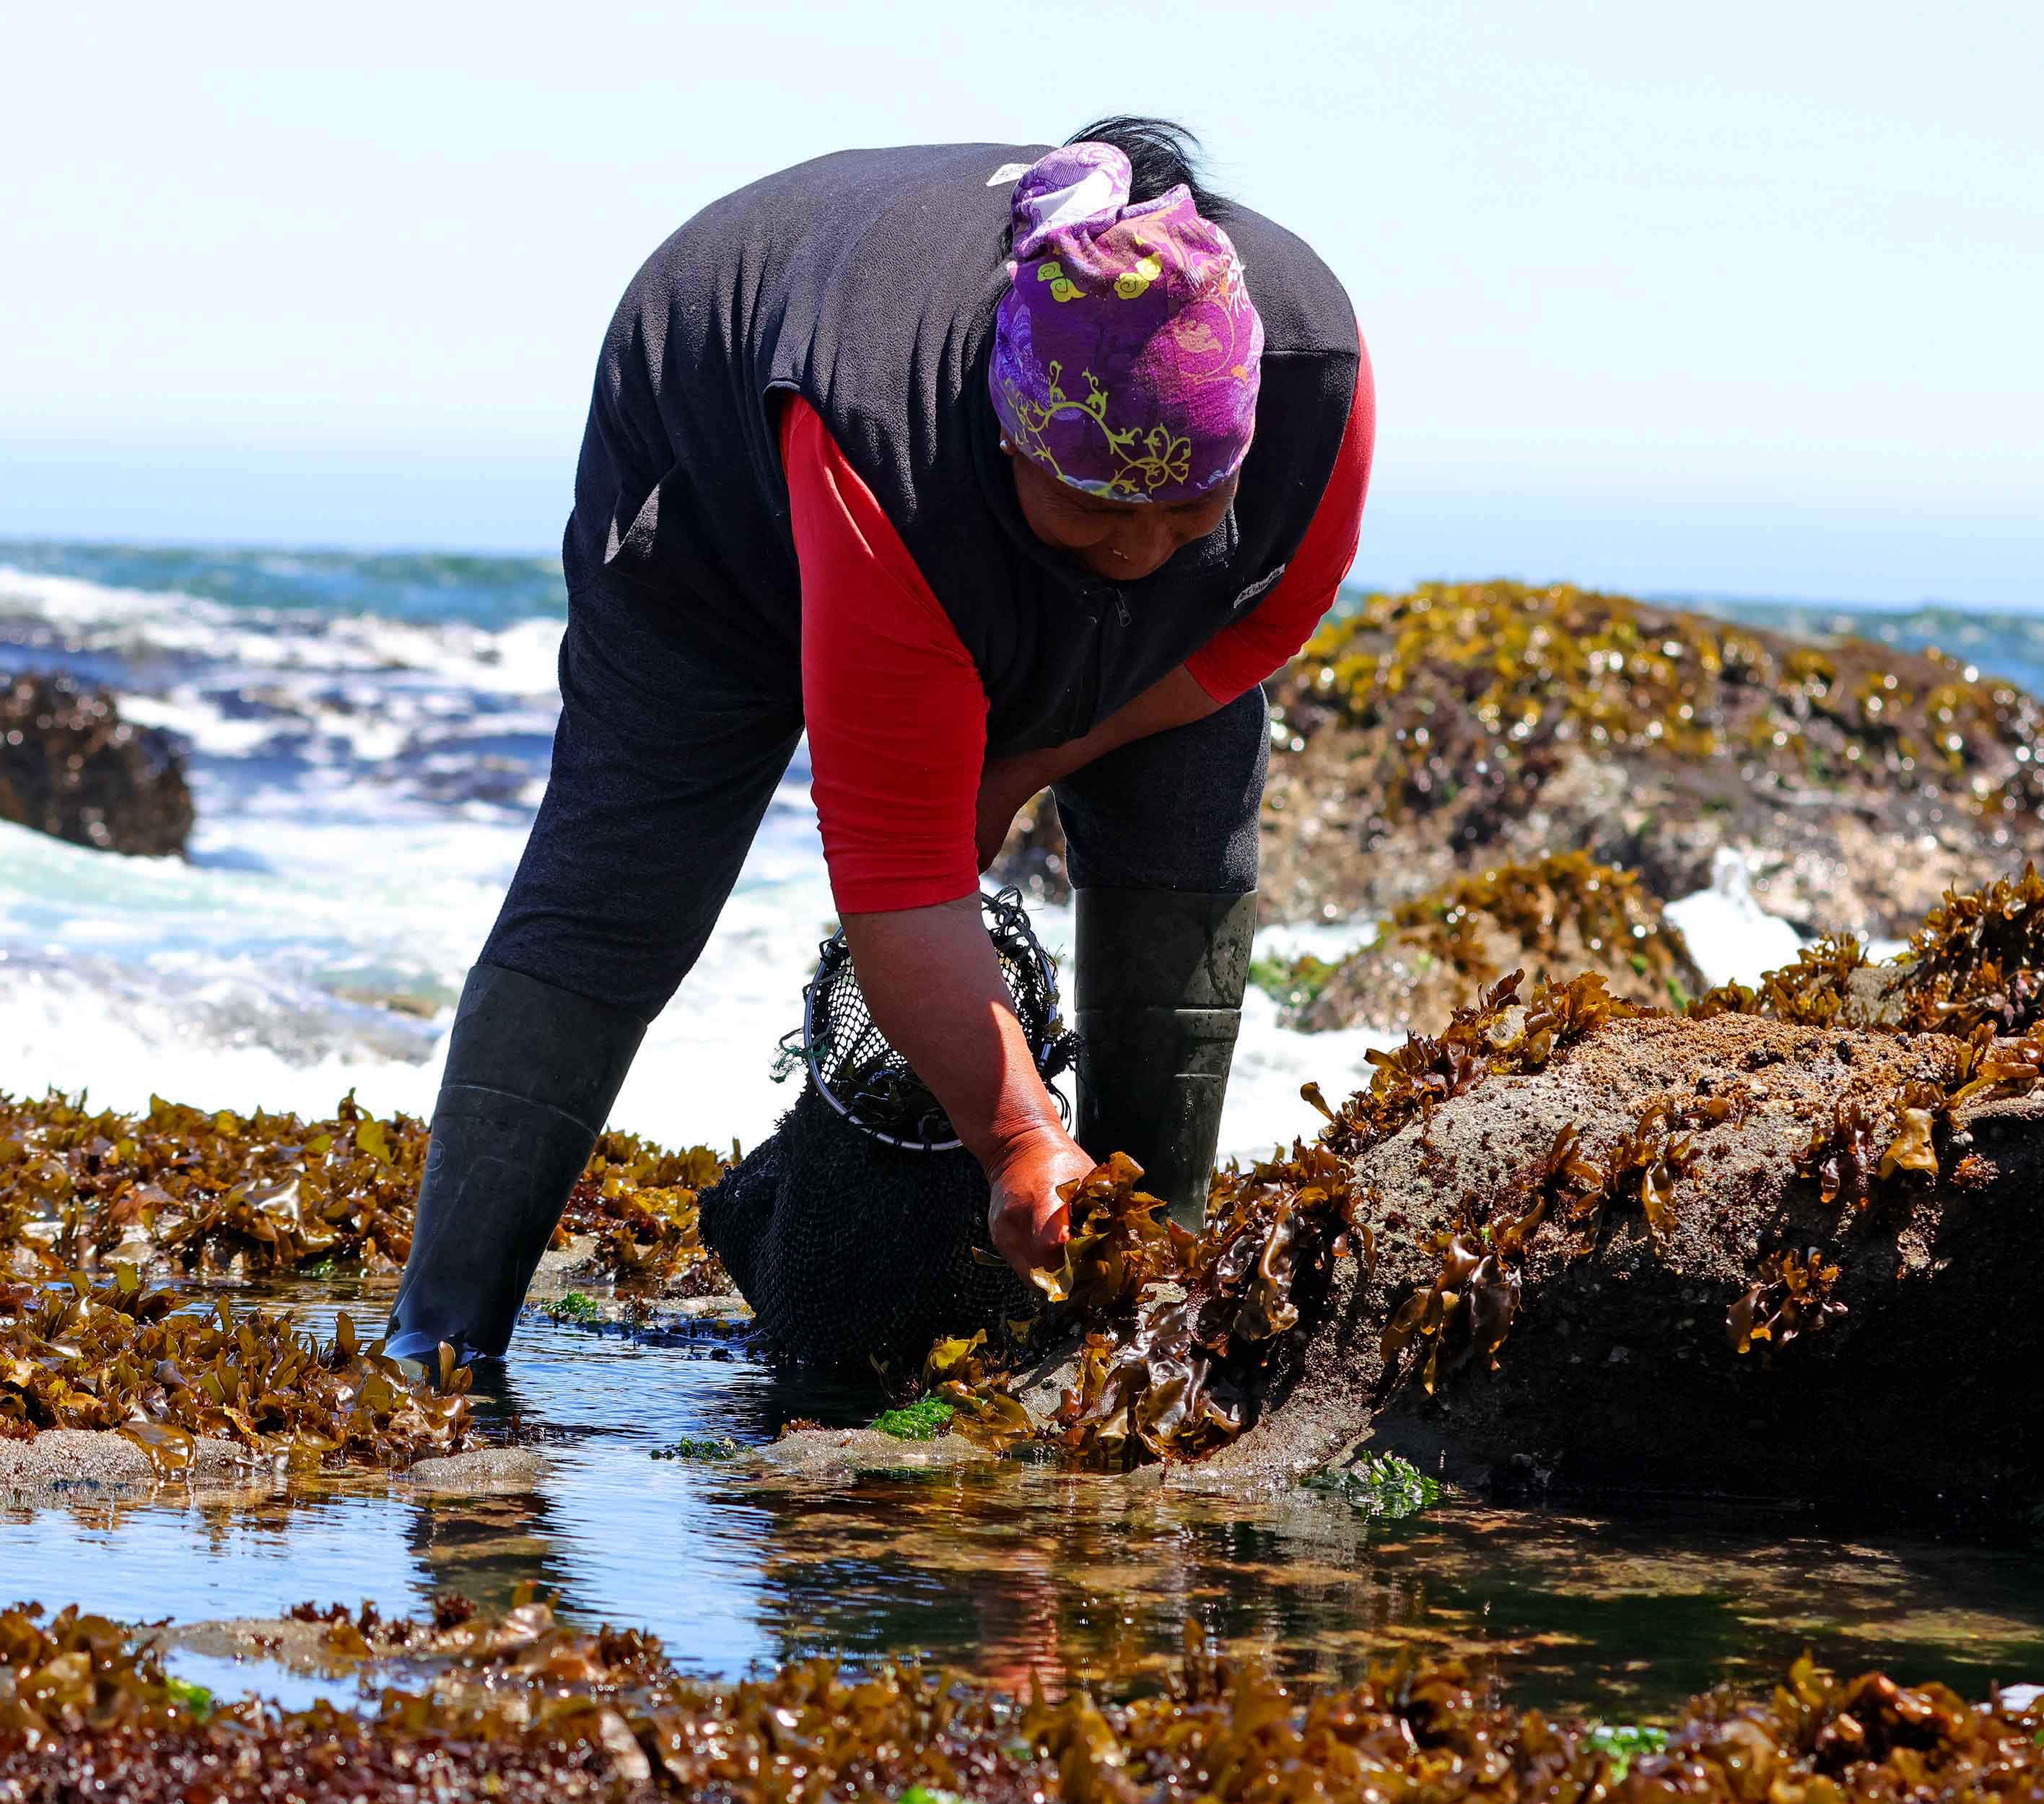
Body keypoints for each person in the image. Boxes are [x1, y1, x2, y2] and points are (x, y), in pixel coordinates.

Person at [386, 118, 1375, 1365]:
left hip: (937, 478)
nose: (1136, 554)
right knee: (626, 873)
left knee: (1188, 786)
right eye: (1095, 513)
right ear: (1012, 433)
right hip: (716, 488)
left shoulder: (1312, 371)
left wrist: (1031, 761)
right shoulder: (884, 444)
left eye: (1190, 514)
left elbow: (1264, 622)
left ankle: (1136, 1304)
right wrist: (1016, 1133)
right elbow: (901, 877)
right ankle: (440, 1334)